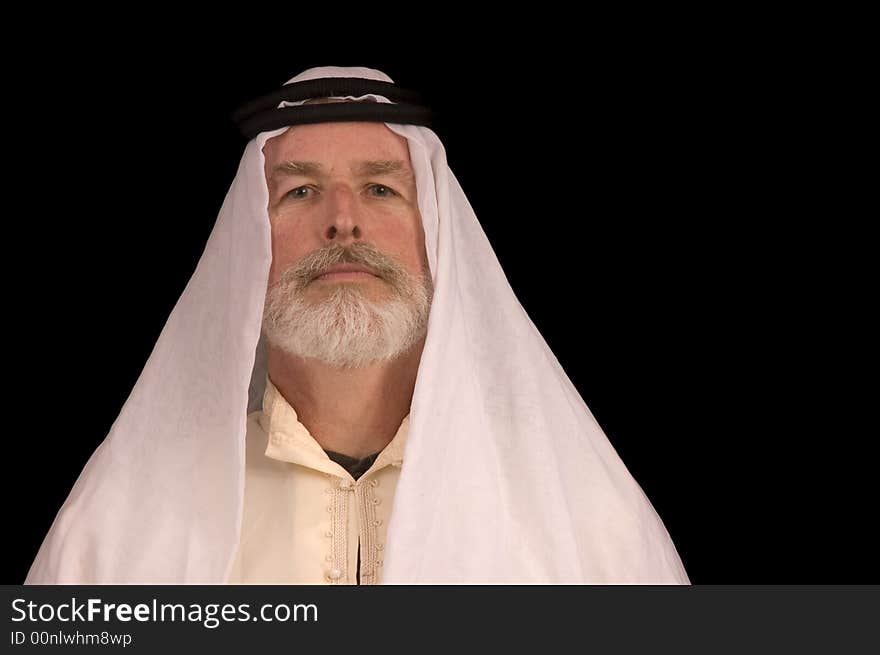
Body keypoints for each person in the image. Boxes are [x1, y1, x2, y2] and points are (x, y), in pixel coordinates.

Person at [25, 66, 690, 584]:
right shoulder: (121, 526)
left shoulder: (586, 519)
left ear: (437, 232)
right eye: (300, 191)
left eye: (380, 188)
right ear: (249, 241)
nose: (343, 220)